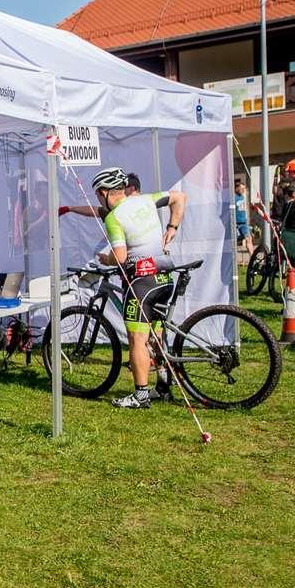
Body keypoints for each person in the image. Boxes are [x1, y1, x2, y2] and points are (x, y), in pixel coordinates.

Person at [87, 167, 186, 409]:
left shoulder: (114, 218)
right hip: (164, 277)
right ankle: (163, 387)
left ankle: (141, 395)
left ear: (105, 192)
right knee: (156, 335)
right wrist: (172, 227)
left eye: (98, 195)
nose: (98, 199)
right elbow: (179, 197)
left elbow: (120, 257)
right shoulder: (146, 200)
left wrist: (106, 258)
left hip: (142, 283)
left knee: (137, 339)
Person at [59, 171, 141, 219]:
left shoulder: (138, 206)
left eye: (123, 188)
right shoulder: (118, 209)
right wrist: (70, 208)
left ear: (132, 188)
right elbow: (95, 211)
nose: (120, 191)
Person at [234, 180, 255, 256]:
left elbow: (243, 208)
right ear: (237, 188)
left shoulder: (242, 196)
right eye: (242, 189)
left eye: (244, 189)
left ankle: (252, 257)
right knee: (234, 242)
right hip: (235, 224)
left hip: (243, 223)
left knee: (249, 239)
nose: (243, 190)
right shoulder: (233, 197)